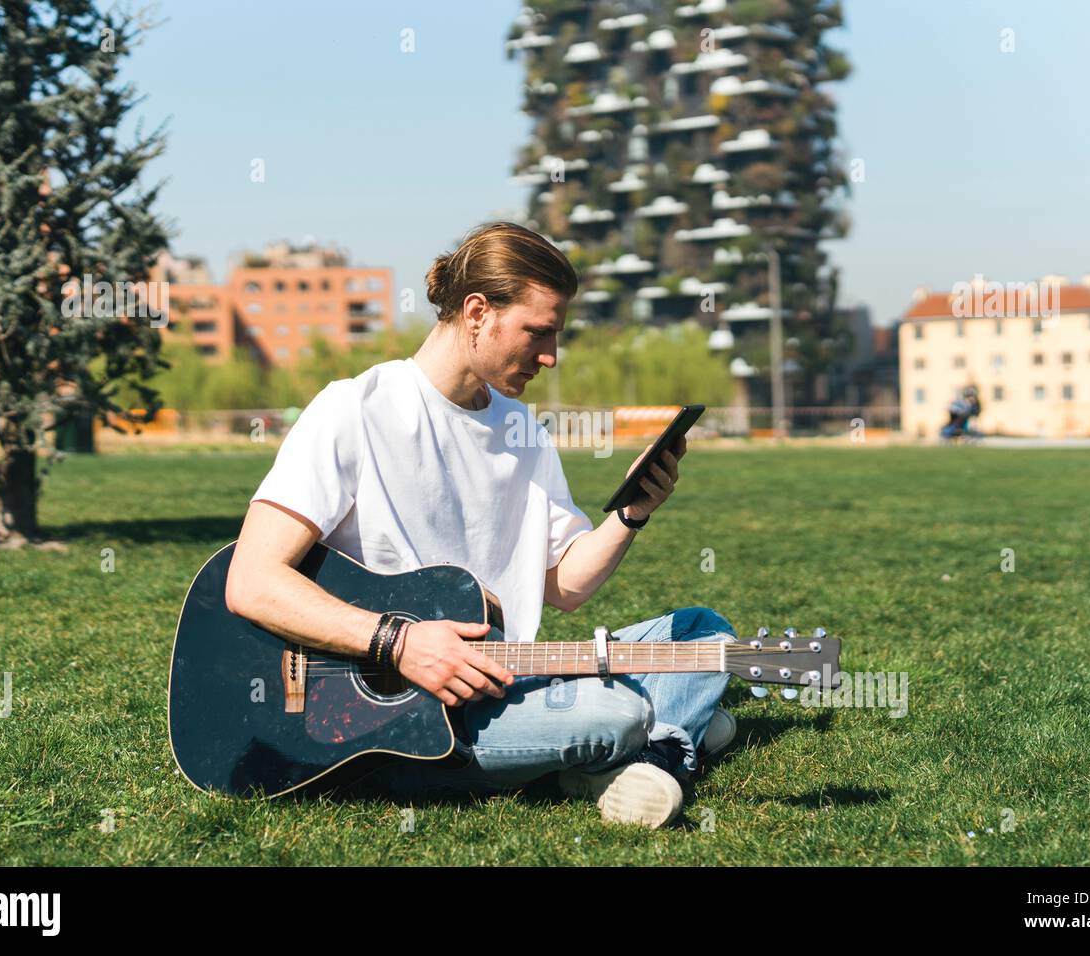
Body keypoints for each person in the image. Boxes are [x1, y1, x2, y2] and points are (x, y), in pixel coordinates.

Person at [224, 222, 737, 828]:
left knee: (702, 633)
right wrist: (401, 642)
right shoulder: (354, 409)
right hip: (404, 709)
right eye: (538, 332)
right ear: (476, 312)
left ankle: (653, 759)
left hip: (509, 674)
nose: (550, 356)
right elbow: (251, 582)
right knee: (614, 713)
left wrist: (631, 515)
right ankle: (658, 735)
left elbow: (566, 585)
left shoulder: (523, 431)